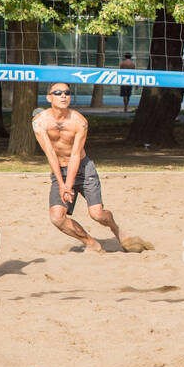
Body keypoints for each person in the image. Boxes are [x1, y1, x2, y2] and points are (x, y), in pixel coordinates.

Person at [33, 82, 123, 253]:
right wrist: (62, 184)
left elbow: (75, 155)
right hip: (60, 170)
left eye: (67, 92)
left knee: (97, 215)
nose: (63, 96)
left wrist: (68, 185)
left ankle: (114, 227)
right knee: (57, 218)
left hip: (83, 168)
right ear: (49, 97)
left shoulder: (79, 122)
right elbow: (50, 154)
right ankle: (91, 243)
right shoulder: (40, 122)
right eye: (58, 93)